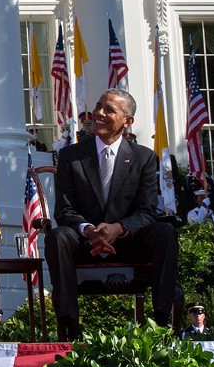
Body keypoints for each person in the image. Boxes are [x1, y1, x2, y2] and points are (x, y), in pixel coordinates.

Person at [42, 89, 179, 339]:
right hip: (84, 243)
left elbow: (147, 211)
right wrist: (89, 230)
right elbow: (64, 211)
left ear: (127, 121)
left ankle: (161, 324)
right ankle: (70, 328)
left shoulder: (144, 157)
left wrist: (118, 229)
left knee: (165, 232)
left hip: (128, 242)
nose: (99, 114)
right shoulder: (70, 156)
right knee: (57, 236)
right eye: (98, 106)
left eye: (109, 110)